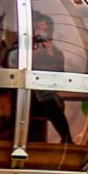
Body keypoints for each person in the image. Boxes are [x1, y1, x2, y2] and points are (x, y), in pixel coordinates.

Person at [29, 14, 73, 145]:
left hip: (45, 97)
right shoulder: (23, 50)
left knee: (51, 104)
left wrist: (50, 54)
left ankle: (67, 139)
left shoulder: (56, 53)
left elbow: (60, 75)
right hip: (25, 96)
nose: (41, 34)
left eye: (45, 30)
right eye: (39, 29)